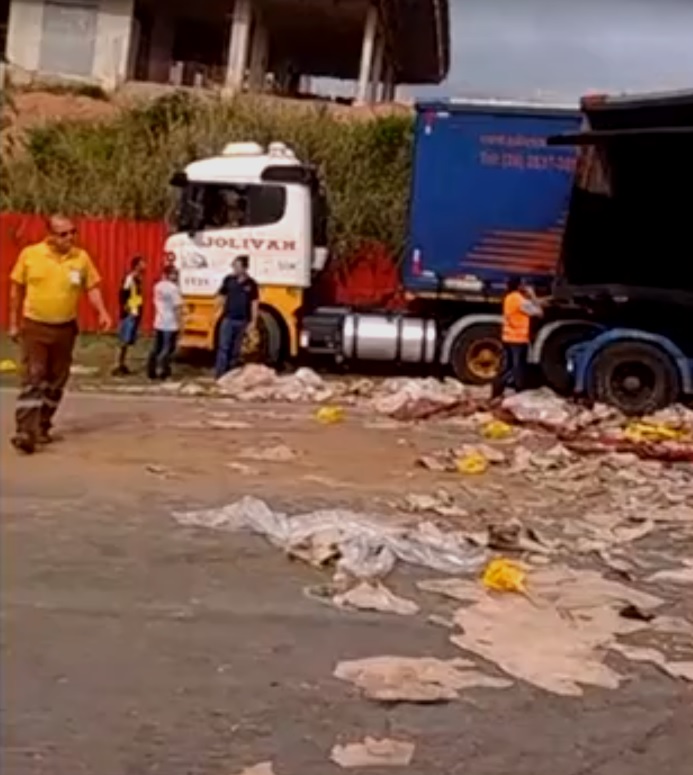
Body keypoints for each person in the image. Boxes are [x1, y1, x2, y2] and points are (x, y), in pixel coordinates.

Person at [8, 214, 111, 454]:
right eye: (64, 234)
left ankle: (43, 424)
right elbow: (16, 290)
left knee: (56, 380)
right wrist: (13, 323)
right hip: (35, 326)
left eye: (73, 232)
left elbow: (92, 287)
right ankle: (25, 430)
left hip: (65, 328)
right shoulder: (31, 255)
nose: (70, 237)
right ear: (51, 236)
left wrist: (103, 312)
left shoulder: (81, 258)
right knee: (34, 376)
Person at [491, 277, 544, 400]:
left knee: (507, 367)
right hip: (518, 340)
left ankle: (496, 391)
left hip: (508, 337)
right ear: (519, 286)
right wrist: (533, 295)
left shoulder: (509, 298)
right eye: (523, 285)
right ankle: (520, 392)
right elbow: (540, 313)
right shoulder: (520, 300)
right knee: (518, 367)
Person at [215, 255, 259, 379]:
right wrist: (216, 310)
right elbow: (221, 296)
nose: (234, 268)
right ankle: (220, 375)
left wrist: (253, 321)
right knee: (223, 347)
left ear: (244, 268)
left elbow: (254, 303)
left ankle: (231, 375)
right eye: (233, 265)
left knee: (236, 350)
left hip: (242, 321)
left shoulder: (252, 284)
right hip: (228, 319)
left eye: (237, 266)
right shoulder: (228, 280)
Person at [147, 265, 183, 380]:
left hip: (159, 321)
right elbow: (177, 308)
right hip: (171, 323)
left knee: (156, 347)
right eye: (174, 274)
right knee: (168, 348)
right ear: (169, 274)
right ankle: (163, 370)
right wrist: (180, 324)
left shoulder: (157, 286)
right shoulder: (173, 288)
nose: (176, 276)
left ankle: (151, 370)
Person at [113, 255, 145, 376]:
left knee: (128, 340)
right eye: (142, 263)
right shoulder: (130, 278)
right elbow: (122, 292)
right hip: (129, 313)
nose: (144, 266)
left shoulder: (138, 278)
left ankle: (122, 364)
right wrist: (125, 307)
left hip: (135, 311)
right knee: (123, 340)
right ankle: (117, 365)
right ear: (136, 265)